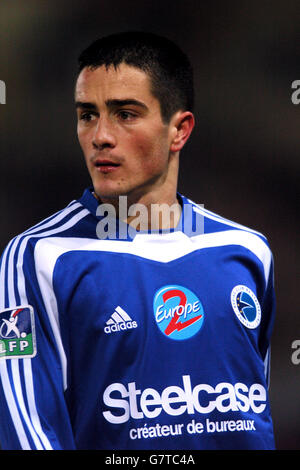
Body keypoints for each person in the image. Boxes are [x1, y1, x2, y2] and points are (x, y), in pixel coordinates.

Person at [0, 31, 276, 450]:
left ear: (179, 130)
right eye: (87, 115)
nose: (100, 136)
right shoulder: (40, 258)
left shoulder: (246, 251)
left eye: (125, 114)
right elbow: (27, 431)